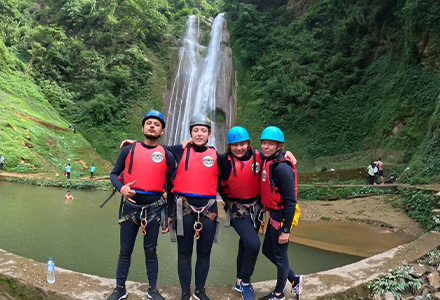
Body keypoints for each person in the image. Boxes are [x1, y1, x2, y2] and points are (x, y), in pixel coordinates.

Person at [217, 126, 297, 300]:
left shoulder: (260, 156)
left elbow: (277, 156)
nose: (239, 148)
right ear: (229, 146)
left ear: (248, 143)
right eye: (234, 145)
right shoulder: (222, 160)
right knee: (253, 244)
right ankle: (245, 282)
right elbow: (208, 168)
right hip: (237, 209)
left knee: (245, 244)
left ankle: (240, 281)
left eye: (242, 144)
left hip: (257, 209)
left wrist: (288, 154)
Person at [106, 110, 175, 300]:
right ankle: (120, 287)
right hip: (130, 208)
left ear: (161, 131)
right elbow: (114, 174)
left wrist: (169, 214)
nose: (152, 126)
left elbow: (171, 186)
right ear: (143, 127)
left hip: (153, 210)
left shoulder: (167, 155)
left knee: (151, 251)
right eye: (149, 123)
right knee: (125, 250)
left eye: (157, 124)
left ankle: (152, 289)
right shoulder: (128, 150)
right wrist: (121, 188)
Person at [167, 115, 229, 300]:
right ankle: (185, 292)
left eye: (203, 130)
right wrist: (134, 144)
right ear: (190, 133)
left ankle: (200, 291)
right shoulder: (179, 151)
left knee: (204, 254)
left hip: (209, 210)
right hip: (184, 209)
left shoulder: (218, 156)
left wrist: (284, 155)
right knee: (184, 254)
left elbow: (245, 158)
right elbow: (156, 149)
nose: (199, 133)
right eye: (196, 130)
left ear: (209, 134)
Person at [258, 126, 303, 300]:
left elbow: (291, 201)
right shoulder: (270, 160)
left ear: (279, 146)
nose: (266, 147)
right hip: (274, 215)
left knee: (279, 254)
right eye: (264, 143)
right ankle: (294, 279)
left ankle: (278, 294)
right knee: (268, 250)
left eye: (271, 144)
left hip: (281, 218)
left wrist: (285, 230)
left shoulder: (282, 168)